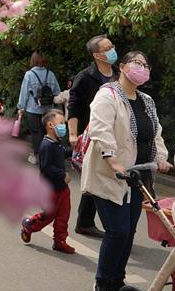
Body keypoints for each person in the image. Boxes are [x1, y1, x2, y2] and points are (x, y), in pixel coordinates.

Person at [81, 51, 172, 291]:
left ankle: (116, 282)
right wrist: (113, 161)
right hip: (110, 174)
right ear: (122, 67)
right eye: (137, 63)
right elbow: (100, 130)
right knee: (117, 230)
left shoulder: (146, 100)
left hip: (138, 176)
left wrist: (162, 158)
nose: (142, 68)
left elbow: (156, 135)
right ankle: (101, 282)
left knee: (129, 232)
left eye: (146, 64)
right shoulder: (107, 95)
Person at [68, 34, 119, 239]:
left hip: (116, 133)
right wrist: (73, 135)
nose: (112, 50)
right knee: (95, 177)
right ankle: (88, 222)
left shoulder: (118, 73)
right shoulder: (85, 77)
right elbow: (74, 107)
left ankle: (85, 222)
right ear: (97, 55)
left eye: (112, 46)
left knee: (102, 177)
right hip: (92, 135)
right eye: (107, 48)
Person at [21, 110, 75, 254]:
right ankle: (29, 225)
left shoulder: (56, 143)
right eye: (62, 123)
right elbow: (46, 168)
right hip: (51, 189)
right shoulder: (46, 146)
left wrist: (76, 148)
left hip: (63, 188)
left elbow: (63, 153)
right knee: (48, 216)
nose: (64, 126)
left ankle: (60, 241)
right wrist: (62, 174)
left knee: (64, 215)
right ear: (50, 125)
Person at [16, 52, 61, 164]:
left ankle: (38, 157)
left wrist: (21, 107)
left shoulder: (29, 75)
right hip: (48, 110)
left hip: (33, 109)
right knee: (49, 132)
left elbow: (24, 93)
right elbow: (57, 92)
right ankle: (51, 157)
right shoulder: (50, 74)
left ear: (33, 60)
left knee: (36, 133)